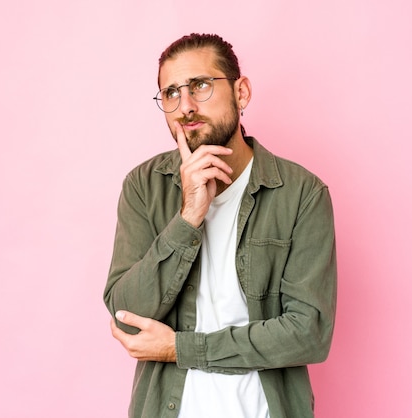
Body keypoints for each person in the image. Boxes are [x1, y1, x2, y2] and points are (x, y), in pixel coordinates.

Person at [104, 33, 337, 418]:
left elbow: (308, 332)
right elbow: (126, 317)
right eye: (171, 93)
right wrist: (188, 217)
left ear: (241, 92)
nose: (185, 106)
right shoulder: (144, 187)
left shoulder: (302, 194)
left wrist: (181, 348)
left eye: (201, 85)